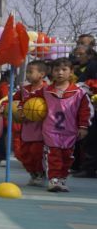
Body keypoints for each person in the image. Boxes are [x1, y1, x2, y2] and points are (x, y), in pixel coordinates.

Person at [41, 58, 91, 192]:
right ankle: (54, 179)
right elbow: (29, 99)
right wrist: (20, 107)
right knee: (53, 155)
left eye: (64, 70)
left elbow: (84, 111)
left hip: (69, 131)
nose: (60, 73)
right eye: (56, 70)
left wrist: (83, 126)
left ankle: (62, 178)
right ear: (51, 72)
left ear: (71, 72)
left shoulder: (79, 92)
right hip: (50, 130)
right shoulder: (45, 90)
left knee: (67, 157)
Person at [12, 60, 48, 185]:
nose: (27, 74)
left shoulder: (47, 89)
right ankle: (33, 173)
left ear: (41, 74)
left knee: (36, 153)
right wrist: (6, 108)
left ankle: (41, 174)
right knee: (25, 154)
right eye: (27, 72)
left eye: (30, 72)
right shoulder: (24, 90)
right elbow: (14, 102)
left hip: (41, 130)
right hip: (26, 129)